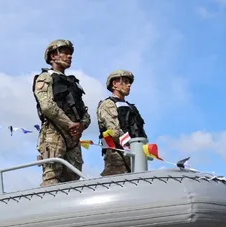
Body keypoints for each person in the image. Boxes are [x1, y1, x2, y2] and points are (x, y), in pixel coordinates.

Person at [32, 39, 91, 187]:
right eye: (65, 52)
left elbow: (85, 112)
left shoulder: (74, 83)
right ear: (53, 56)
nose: (69, 56)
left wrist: (81, 125)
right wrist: (70, 124)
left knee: (73, 181)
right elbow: (46, 106)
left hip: (73, 137)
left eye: (70, 53)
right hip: (54, 133)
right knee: (51, 179)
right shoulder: (45, 77)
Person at [96, 69, 147, 176]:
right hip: (117, 154)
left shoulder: (131, 107)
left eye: (129, 82)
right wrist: (133, 146)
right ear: (115, 84)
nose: (129, 85)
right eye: (124, 81)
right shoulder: (108, 104)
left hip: (136, 155)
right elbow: (113, 132)